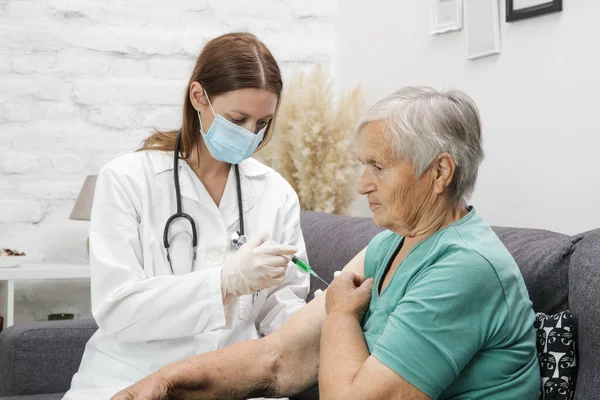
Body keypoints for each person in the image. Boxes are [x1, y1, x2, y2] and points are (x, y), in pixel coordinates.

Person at [112, 87, 540, 400]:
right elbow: (278, 356)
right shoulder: (390, 246)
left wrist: (340, 316)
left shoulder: (464, 268)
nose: (361, 185)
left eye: (378, 166)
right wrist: (166, 383)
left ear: (441, 172)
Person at [63, 32, 310, 400]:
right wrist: (223, 282)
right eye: (238, 118)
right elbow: (116, 308)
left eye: (262, 123)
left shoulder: (276, 194)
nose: (250, 135)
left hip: (231, 384)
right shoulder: (128, 179)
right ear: (199, 97)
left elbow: (281, 307)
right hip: (130, 377)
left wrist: (322, 318)